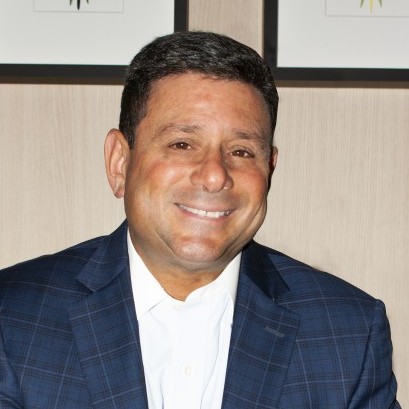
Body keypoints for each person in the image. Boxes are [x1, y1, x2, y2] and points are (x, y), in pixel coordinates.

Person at [0, 31, 400, 409]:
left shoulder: (348, 334)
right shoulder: (12, 317)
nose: (214, 175)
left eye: (241, 152)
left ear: (270, 169)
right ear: (120, 163)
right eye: (182, 144)